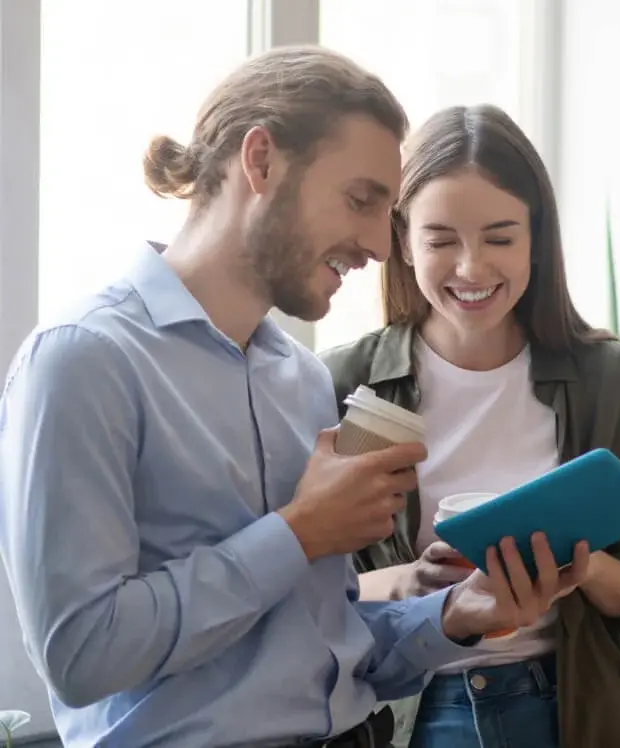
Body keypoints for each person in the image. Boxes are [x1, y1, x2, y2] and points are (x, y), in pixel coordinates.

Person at [0, 49, 552, 748]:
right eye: (360, 200)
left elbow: (321, 645)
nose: (382, 248)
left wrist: (456, 614)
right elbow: (82, 655)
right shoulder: (84, 361)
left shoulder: (303, 379)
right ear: (259, 161)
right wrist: (296, 534)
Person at [320, 104, 620, 748]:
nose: (471, 269)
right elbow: (308, 598)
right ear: (402, 240)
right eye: (440, 241)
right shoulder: (344, 383)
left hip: (576, 712)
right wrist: (420, 584)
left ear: (536, 238)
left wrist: (583, 567)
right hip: (414, 717)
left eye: (500, 237)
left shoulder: (606, 379)